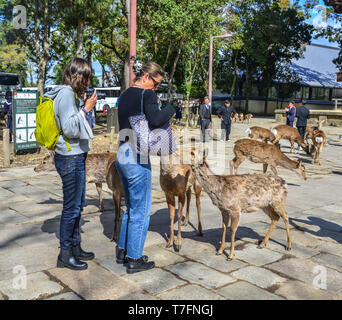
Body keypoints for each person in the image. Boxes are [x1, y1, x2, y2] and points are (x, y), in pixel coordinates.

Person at [115, 61, 175, 274]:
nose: (156, 88)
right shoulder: (146, 95)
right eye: (156, 83)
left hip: (121, 152)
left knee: (131, 207)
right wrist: (171, 108)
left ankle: (123, 250)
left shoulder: (124, 95)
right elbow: (157, 119)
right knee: (141, 211)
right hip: (137, 156)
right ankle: (134, 259)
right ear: (147, 77)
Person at [45, 57, 98, 271]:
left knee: (78, 205)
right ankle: (65, 254)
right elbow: (70, 129)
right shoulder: (66, 94)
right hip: (70, 157)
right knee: (71, 208)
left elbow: (78, 124)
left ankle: (75, 247)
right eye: (85, 77)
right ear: (77, 75)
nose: (87, 81)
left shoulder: (70, 95)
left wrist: (84, 106)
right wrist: (86, 108)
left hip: (75, 155)